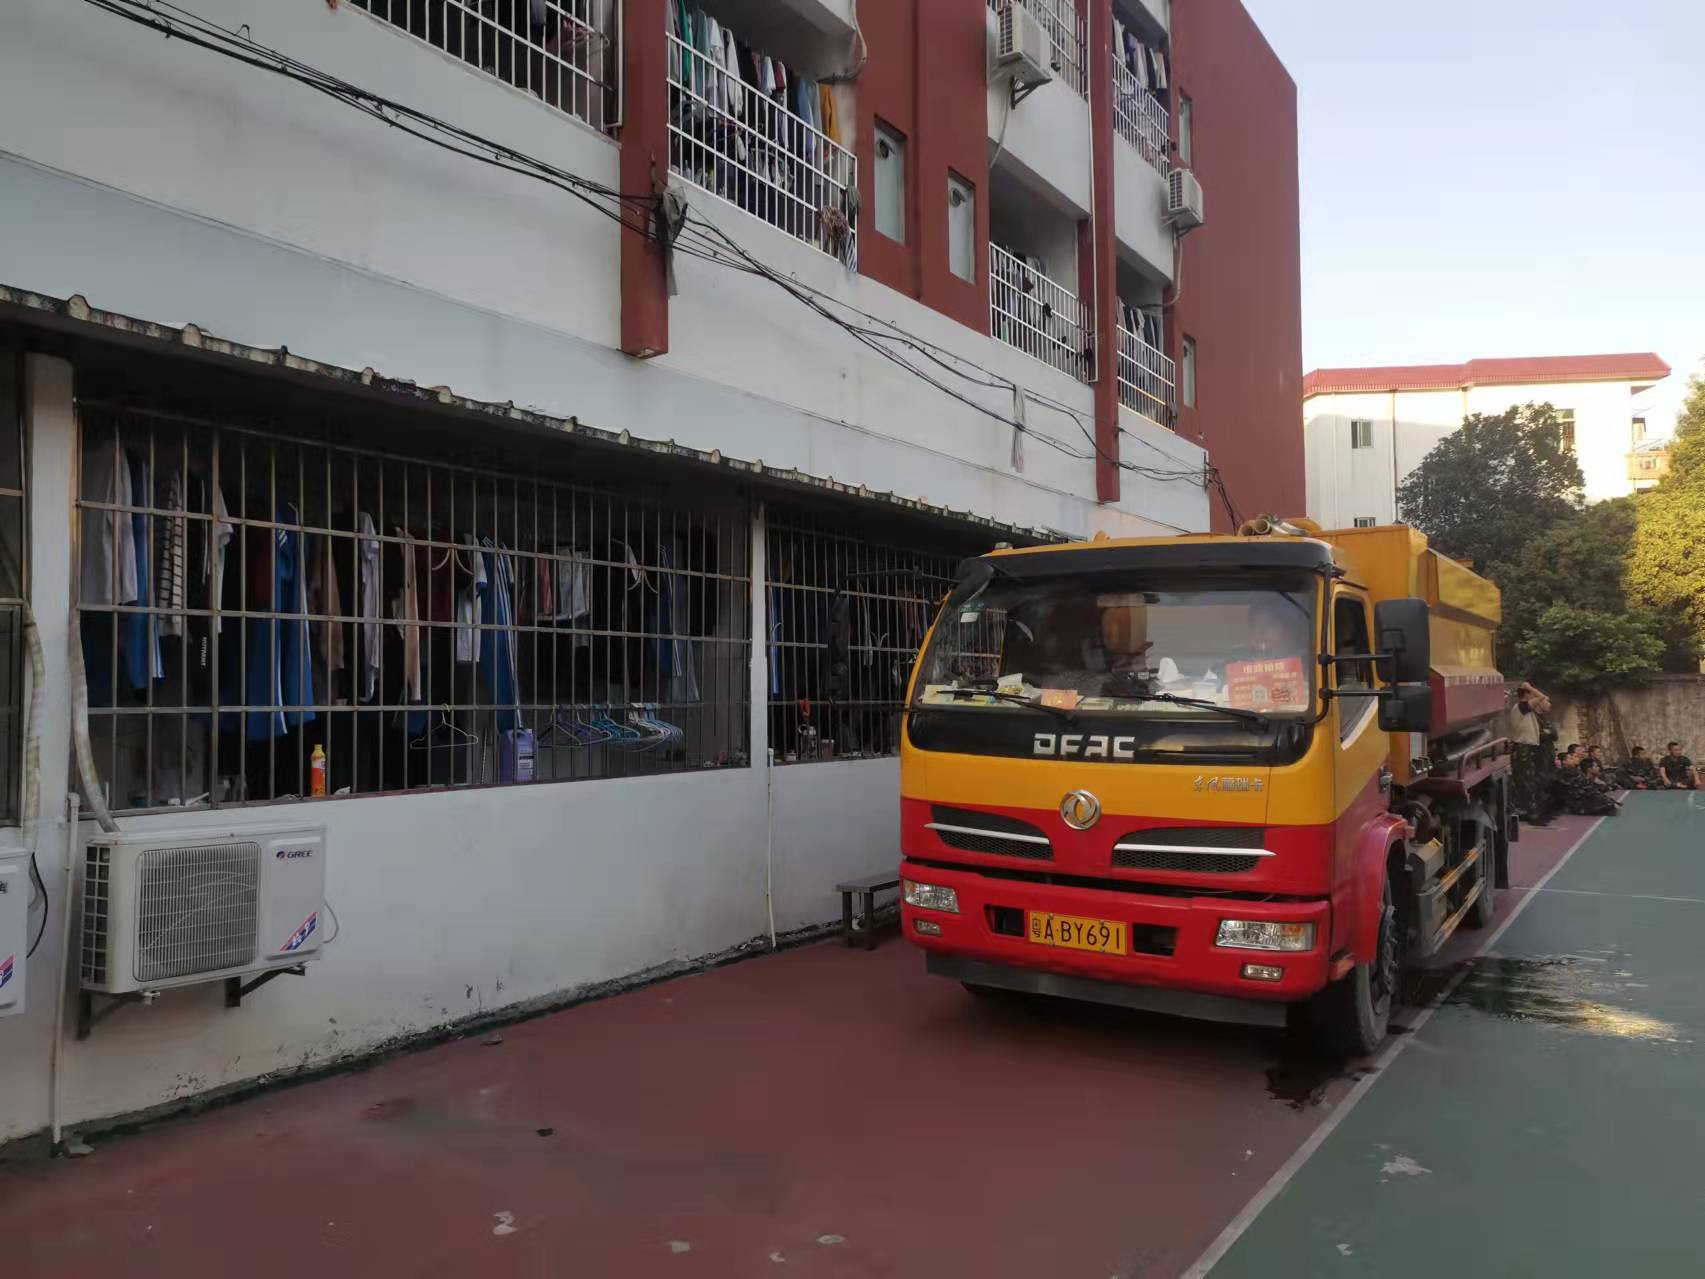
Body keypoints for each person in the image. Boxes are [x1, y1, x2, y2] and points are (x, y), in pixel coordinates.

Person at [1509, 683, 1552, 825]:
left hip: (1527, 747)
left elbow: (1543, 700)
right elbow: (1542, 697)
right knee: (1525, 780)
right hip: (1523, 747)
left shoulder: (1526, 709)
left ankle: (1529, 810)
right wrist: (1531, 687)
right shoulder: (1521, 707)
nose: (1533, 696)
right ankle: (1530, 813)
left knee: (1528, 779)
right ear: (1526, 695)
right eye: (1530, 694)